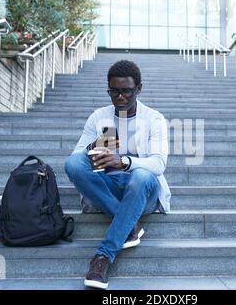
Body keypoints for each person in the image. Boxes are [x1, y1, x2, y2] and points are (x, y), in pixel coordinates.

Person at [64, 60, 171, 289]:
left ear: (139, 89)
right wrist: (95, 148)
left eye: (126, 91)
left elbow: (159, 164)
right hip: (107, 187)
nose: (120, 97)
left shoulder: (153, 119)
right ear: (108, 89)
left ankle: (102, 257)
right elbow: (76, 160)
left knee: (141, 176)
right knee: (73, 164)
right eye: (114, 91)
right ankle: (129, 227)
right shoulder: (99, 117)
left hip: (143, 191)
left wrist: (124, 161)